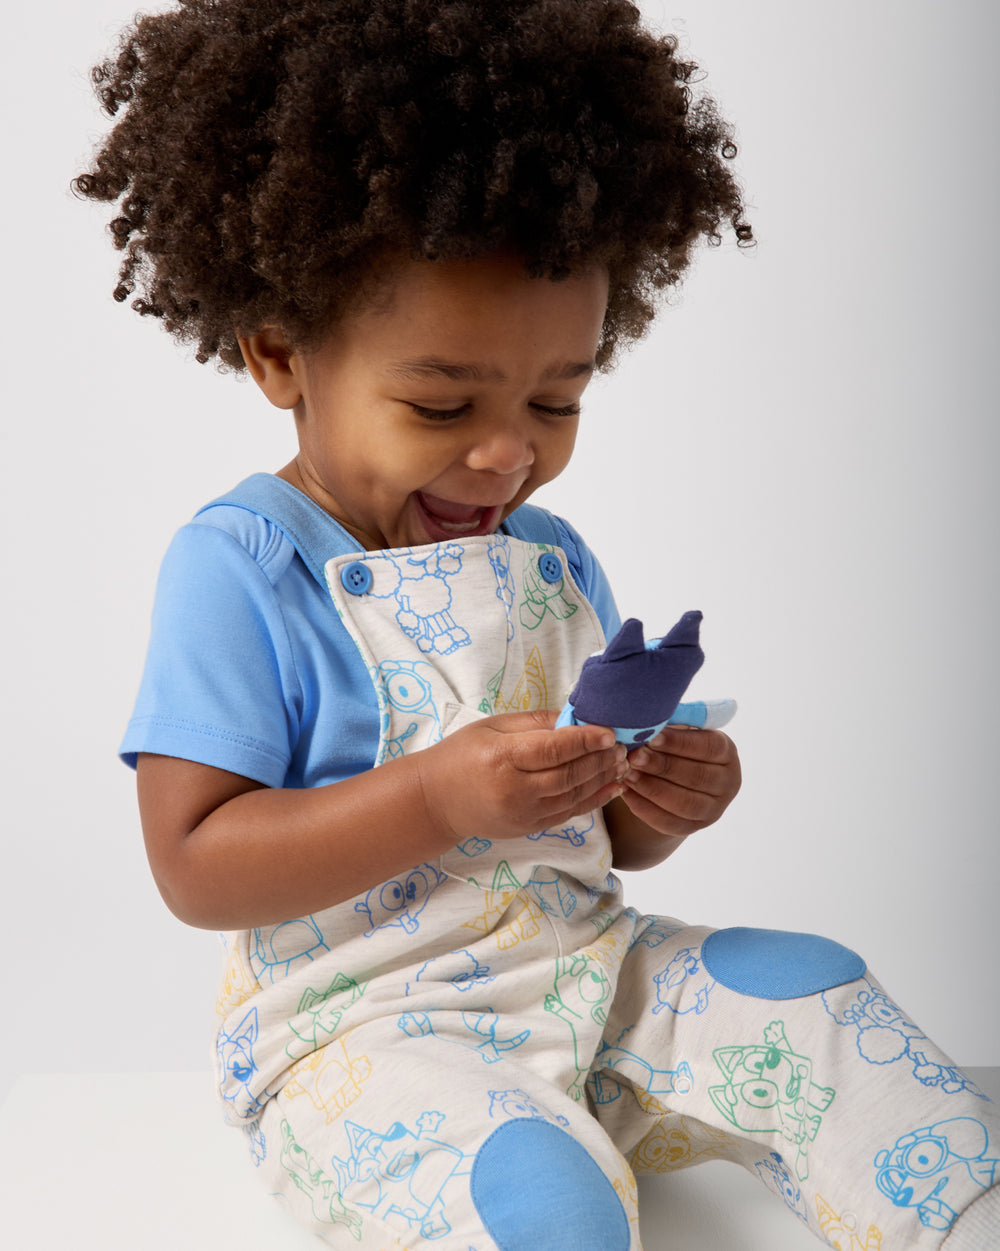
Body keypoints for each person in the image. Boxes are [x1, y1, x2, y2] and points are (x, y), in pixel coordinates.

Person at [75, 2, 998, 1247]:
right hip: (365, 1035)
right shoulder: (240, 565)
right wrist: (435, 797)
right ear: (282, 355)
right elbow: (194, 864)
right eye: (441, 401)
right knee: (535, 1197)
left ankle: (960, 1211)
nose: (506, 453)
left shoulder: (547, 559)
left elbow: (596, 843)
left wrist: (648, 801)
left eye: (557, 401)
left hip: (587, 977)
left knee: (815, 993)